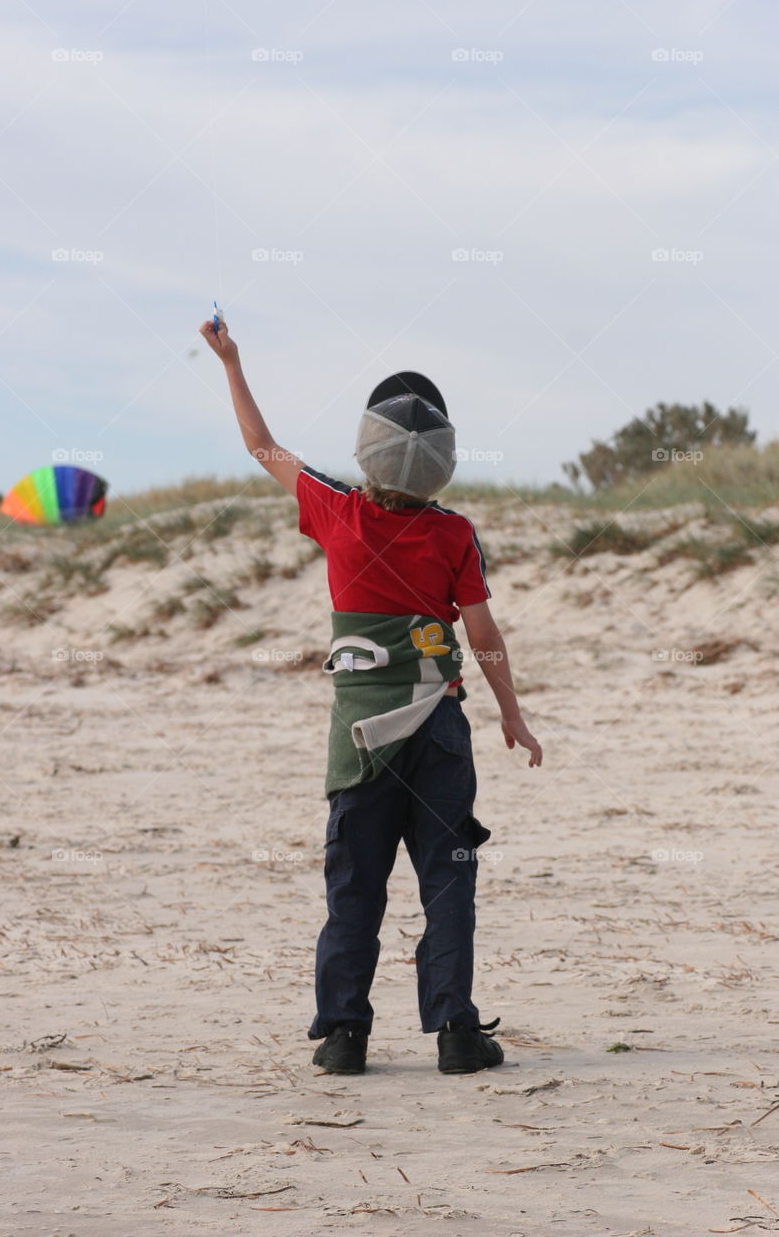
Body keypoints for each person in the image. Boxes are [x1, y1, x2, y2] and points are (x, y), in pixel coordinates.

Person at [200, 316, 543, 1076]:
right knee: (447, 874)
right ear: (442, 467)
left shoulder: (337, 511)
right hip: (440, 732)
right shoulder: (454, 534)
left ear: (366, 450)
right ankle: (455, 1030)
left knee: (355, 882)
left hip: (360, 739)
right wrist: (511, 716)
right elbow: (483, 633)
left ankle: (343, 1035)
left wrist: (230, 361)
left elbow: (262, 448)